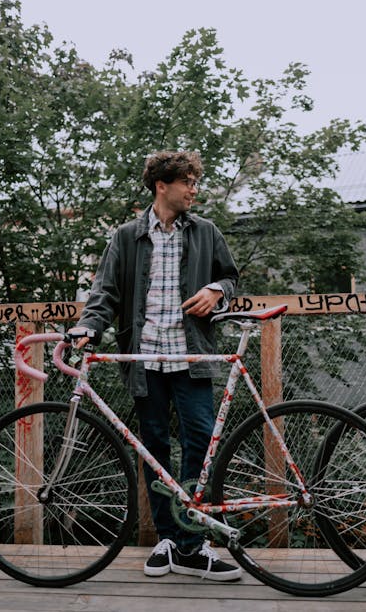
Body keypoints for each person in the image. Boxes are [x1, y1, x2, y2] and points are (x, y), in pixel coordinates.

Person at [70, 150, 241, 581]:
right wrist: (89, 326)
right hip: (144, 357)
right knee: (154, 449)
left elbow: (232, 278)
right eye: (188, 181)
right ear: (162, 185)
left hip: (191, 355)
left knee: (200, 444)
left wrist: (217, 290)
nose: (194, 189)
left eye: (195, 181)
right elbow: (105, 293)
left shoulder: (206, 231)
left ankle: (193, 543)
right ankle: (167, 539)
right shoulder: (126, 236)